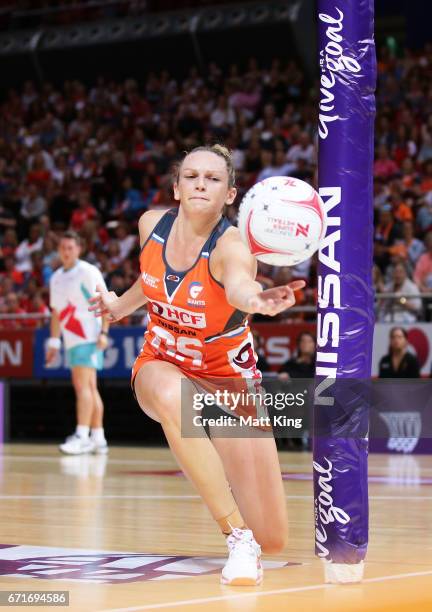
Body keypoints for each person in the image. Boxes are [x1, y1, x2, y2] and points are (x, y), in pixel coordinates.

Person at [89, 144, 305, 587]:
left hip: (228, 381)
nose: (201, 183)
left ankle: (251, 530)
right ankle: (236, 537)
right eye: (191, 176)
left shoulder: (232, 248)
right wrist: (118, 307)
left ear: (230, 195)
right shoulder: (151, 224)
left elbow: (242, 286)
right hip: (161, 364)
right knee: (172, 396)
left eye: (212, 178)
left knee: (275, 537)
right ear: (176, 187)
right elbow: (151, 281)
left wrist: (258, 301)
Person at [46, 231, 110, 455]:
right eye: (62, 247)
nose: (66, 251)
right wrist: (54, 343)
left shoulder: (88, 271)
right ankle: (98, 438)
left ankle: (82, 435)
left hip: (88, 335)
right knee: (89, 388)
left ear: (78, 249)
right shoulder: (55, 277)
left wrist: (104, 331)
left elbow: (105, 300)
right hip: (71, 338)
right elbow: (56, 312)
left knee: (83, 386)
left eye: (70, 247)